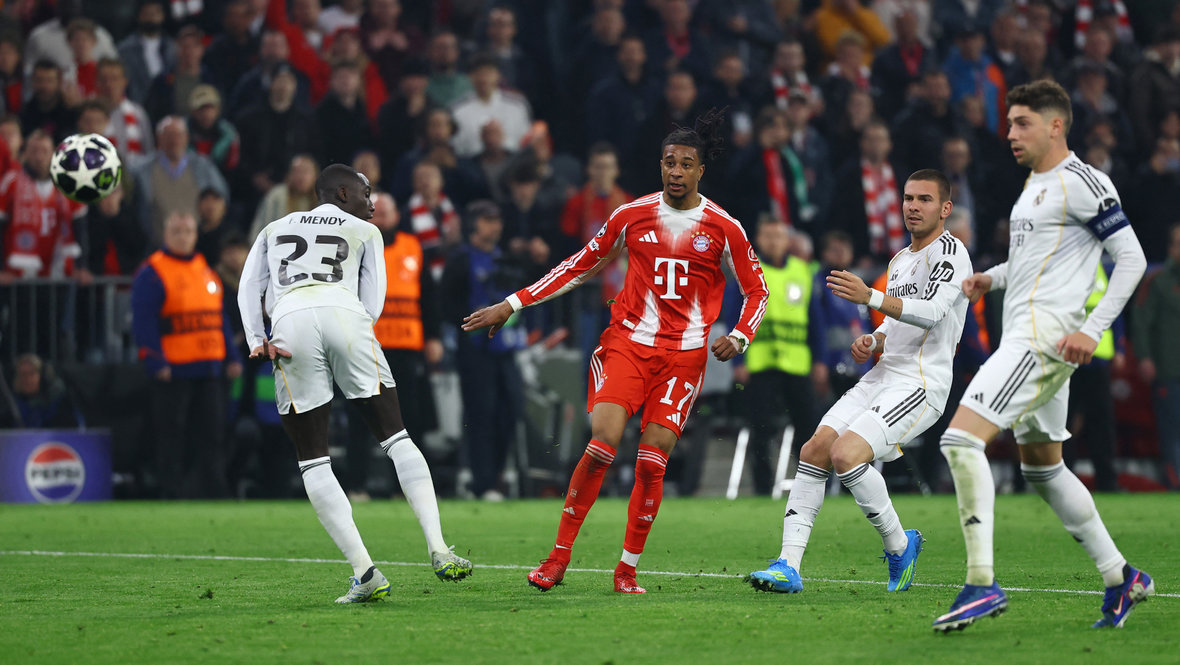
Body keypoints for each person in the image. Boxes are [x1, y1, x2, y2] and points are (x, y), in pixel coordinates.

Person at [463, 109, 768, 593]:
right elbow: (577, 266)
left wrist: (740, 336)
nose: (675, 172)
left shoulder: (723, 227)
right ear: (660, 164)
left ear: (700, 171)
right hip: (628, 344)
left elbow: (758, 290)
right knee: (602, 444)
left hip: (684, 357)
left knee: (652, 460)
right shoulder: (631, 215)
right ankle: (557, 558)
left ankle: (626, 571)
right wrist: (512, 303)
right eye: (669, 162)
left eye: (685, 164)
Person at [933, 80, 1153, 632]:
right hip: (1027, 334)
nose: (1010, 133)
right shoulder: (1034, 185)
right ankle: (1120, 575)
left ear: (1056, 125)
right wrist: (991, 277)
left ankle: (981, 583)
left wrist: (1094, 329)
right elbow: (1034, 263)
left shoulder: (1084, 182)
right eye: (1009, 123)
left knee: (960, 441)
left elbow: (1131, 258)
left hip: (1042, 339)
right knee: (1044, 468)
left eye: (1022, 123)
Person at [237, 164, 472, 603]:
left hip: (290, 322)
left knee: (313, 459)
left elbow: (249, 286)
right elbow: (373, 301)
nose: (373, 203)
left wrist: (256, 339)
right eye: (367, 193)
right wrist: (355, 334)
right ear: (342, 194)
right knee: (397, 437)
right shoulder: (366, 231)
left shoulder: (273, 228)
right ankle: (439, 548)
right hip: (346, 314)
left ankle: (366, 572)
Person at [746, 169, 971, 594]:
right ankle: (787, 565)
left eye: (924, 199)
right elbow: (896, 323)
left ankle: (899, 545)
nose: (913, 206)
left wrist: (870, 296)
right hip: (883, 375)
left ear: (945, 208)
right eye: (908, 198)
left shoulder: (951, 252)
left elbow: (933, 312)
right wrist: (875, 339)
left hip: (920, 383)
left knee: (847, 454)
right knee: (815, 450)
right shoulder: (900, 261)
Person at [131, 212, 242, 499]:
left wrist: (231, 356)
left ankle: (213, 489)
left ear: (195, 235)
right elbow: (143, 322)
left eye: (188, 231)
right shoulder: (153, 271)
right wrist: (155, 359)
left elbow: (218, 318)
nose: (183, 237)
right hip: (175, 367)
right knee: (172, 433)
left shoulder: (204, 269)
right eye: (177, 231)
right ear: (166, 234)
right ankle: (172, 490)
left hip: (209, 366)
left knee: (212, 433)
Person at [441, 201, 527, 501]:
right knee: (481, 414)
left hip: (506, 348)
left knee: (510, 411)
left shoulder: (505, 259)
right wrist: (472, 318)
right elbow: (446, 304)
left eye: (497, 220)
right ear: (473, 226)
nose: (496, 225)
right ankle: (483, 483)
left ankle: (495, 476)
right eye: (488, 220)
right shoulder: (461, 260)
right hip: (475, 350)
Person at [733, 220, 825, 495]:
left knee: (807, 429)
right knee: (760, 430)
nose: (774, 241)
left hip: (797, 364)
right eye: (768, 235)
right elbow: (732, 315)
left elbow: (815, 320)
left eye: (779, 236)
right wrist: (738, 361)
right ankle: (763, 489)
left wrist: (820, 360)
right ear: (759, 239)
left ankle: (810, 487)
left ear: (788, 241)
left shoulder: (802, 271)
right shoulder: (747, 270)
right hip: (760, 364)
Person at [1133, 222, 1180, 490]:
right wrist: (1145, 357)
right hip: (1169, 369)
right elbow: (1141, 322)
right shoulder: (1157, 281)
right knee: (1172, 432)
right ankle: (1176, 485)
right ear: (1171, 247)